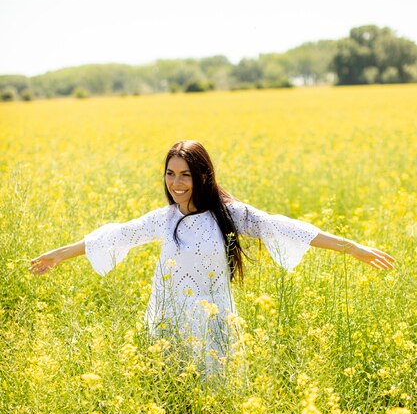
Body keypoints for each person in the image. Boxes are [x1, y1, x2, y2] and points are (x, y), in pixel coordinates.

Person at [29, 140, 396, 375]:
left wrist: (353, 248)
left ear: (202, 176)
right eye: (171, 174)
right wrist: (58, 255)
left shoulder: (228, 214)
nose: (177, 183)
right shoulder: (165, 218)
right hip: (169, 327)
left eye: (185, 175)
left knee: (216, 397)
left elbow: (282, 227)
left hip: (213, 326)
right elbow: (117, 234)